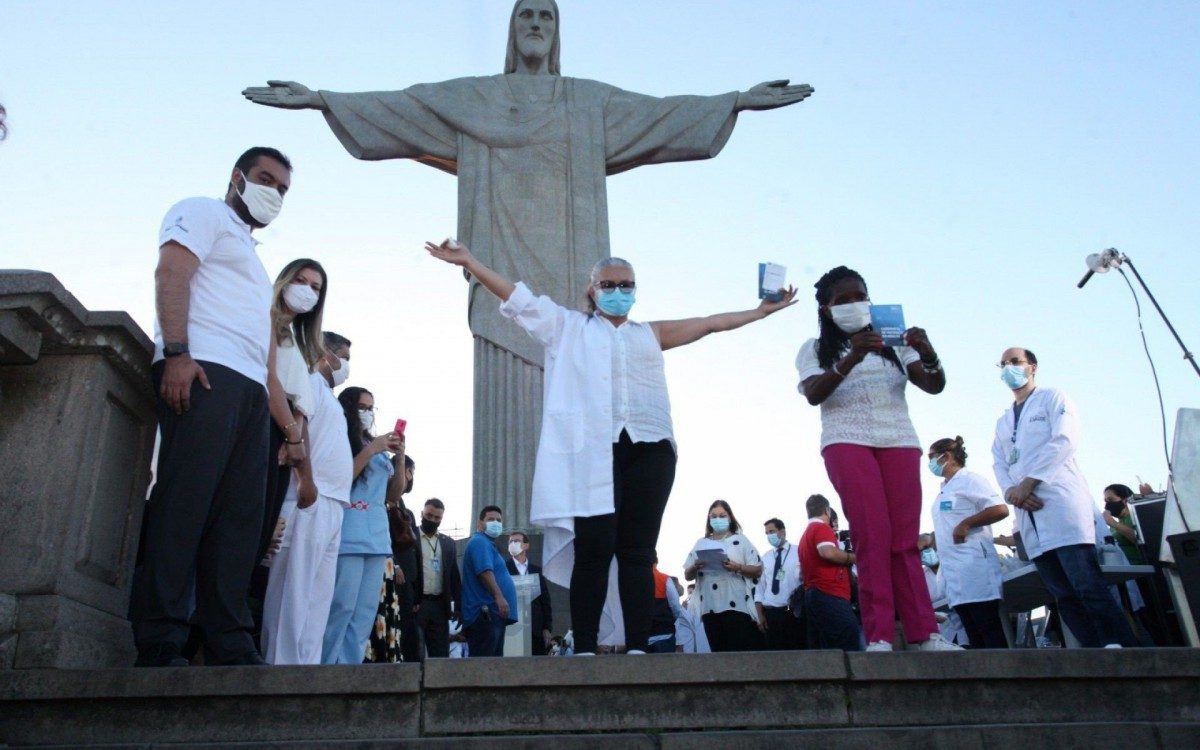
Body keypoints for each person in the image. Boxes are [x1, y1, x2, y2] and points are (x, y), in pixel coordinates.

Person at [244, 0, 814, 534]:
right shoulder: (476, 99)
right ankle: (507, 532)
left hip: (573, 279)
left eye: (547, 14)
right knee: (511, 380)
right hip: (500, 274)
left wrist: (735, 101)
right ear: (513, 31)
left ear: (557, 31)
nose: (537, 22)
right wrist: (322, 99)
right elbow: (405, 106)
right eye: (526, 14)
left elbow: (661, 114)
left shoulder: (588, 102)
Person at [427, 238, 796, 656]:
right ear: (592, 289)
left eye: (626, 284)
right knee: (594, 549)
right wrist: (471, 262)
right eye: (609, 284)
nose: (618, 291)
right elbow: (519, 297)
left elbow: (710, 322)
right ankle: (585, 645)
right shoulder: (567, 327)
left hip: (650, 446)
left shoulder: (651, 333)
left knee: (638, 552)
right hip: (593, 454)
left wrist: (760, 312)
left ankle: (637, 645)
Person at [130, 146, 292, 667]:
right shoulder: (202, 211)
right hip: (204, 370)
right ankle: (159, 636)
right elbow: (170, 273)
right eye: (266, 179)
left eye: (283, 189)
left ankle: (227, 637)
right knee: (185, 503)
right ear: (238, 177)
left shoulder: (252, 254)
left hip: (247, 389)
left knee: (239, 520)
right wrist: (176, 353)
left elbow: (266, 359)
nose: (274, 193)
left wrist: (284, 425)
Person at [796, 265, 955, 652]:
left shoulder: (893, 343)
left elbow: (932, 385)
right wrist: (851, 357)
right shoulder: (815, 349)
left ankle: (924, 634)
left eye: (860, 296)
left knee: (903, 539)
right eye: (843, 301)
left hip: (899, 440)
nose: (854, 305)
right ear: (826, 310)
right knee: (871, 536)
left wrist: (928, 353)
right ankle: (880, 633)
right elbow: (815, 393)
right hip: (846, 440)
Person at [990, 347, 1138, 648]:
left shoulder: (1053, 398)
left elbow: (1065, 440)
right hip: (1028, 514)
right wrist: (1013, 493)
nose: (1009, 368)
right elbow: (999, 462)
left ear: (1032, 367)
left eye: (1015, 362)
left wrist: (1029, 483)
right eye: (1003, 364)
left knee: (1086, 585)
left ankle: (1120, 648)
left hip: (1059, 504)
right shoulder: (1003, 421)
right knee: (1062, 594)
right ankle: (1090, 653)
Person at [261, 333, 354, 664]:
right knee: (293, 597)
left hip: (333, 504)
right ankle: (279, 672)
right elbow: (297, 431)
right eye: (342, 356)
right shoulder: (310, 380)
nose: (346, 365)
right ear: (326, 352)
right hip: (308, 498)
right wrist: (306, 481)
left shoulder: (328, 395)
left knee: (316, 603)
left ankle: (307, 673)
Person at [248, 259, 327, 644]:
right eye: (301, 281)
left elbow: (302, 405)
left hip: (284, 444)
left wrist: (300, 460)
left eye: (315, 287)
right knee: (246, 537)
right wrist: (292, 435)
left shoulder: (296, 340)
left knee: (260, 540)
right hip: (265, 432)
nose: (307, 291)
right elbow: (269, 379)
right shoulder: (263, 317)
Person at [321, 387, 403, 663]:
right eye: (363, 407)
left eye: (372, 407)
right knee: (341, 605)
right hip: (349, 534)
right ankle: (325, 665)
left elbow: (393, 494)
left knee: (365, 611)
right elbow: (342, 479)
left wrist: (400, 456)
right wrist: (371, 450)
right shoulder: (341, 437)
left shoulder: (374, 444)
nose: (368, 413)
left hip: (377, 536)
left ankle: (349, 668)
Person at [928, 436, 1010, 648]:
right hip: (955, 572)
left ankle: (1003, 677)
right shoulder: (945, 488)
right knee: (972, 633)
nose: (929, 463)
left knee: (987, 628)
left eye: (932, 457)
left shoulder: (970, 480)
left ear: (946, 457)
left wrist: (966, 524)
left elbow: (999, 509)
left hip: (974, 566)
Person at [683, 501, 765, 652]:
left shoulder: (741, 541)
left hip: (735, 603)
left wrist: (738, 567)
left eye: (722, 515)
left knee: (738, 649)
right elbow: (687, 574)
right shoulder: (701, 543)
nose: (717, 519)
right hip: (710, 606)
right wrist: (695, 566)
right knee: (718, 651)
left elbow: (757, 569)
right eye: (713, 516)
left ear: (730, 518)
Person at [799, 495, 863, 652]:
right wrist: (853, 558)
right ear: (827, 510)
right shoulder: (821, 528)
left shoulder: (804, 536)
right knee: (849, 638)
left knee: (829, 646)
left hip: (815, 594)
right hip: (830, 593)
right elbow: (827, 552)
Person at [461, 505, 518, 657]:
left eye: (499, 520)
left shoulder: (488, 544)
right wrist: (499, 597)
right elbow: (485, 572)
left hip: (493, 615)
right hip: (485, 615)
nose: (496, 523)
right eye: (491, 519)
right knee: (484, 668)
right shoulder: (480, 542)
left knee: (493, 667)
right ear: (480, 523)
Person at [415, 498, 463, 658]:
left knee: (440, 654)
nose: (432, 520)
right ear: (422, 513)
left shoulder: (448, 543)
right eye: (429, 515)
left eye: (437, 518)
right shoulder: (410, 536)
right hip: (417, 604)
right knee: (415, 652)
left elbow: (454, 577)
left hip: (439, 606)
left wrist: (458, 606)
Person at [755, 517, 804, 650]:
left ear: (782, 532)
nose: (769, 536)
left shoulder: (799, 552)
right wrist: (760, 615)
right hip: (772, 614)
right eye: (767, 533)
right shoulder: (766, 557)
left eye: (772, 531)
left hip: (793, 612)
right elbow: (760, 589)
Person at [506, 531, 553, 655]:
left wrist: (547, 628)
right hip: (512, 628)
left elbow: (545, 601)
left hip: (535, 629)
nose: (513, 544)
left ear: (526, 545)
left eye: (516, 541)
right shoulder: (504, 569)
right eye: (510, 541)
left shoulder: (536, 570)